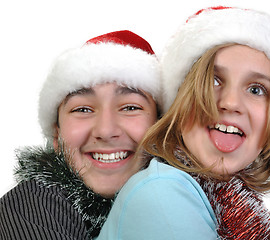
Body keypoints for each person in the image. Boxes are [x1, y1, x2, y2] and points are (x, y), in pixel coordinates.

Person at [97, 6, 270, 240]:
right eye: (213, 80)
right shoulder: (162, 192)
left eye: (256, 89)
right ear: (180, 100)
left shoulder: (222, 203)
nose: (230, 102)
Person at [0, 30, 161, 239]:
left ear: (162, 125)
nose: (106, 131)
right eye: (82, 110)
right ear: (56, 135)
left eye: (130, 107)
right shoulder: (32, 207)